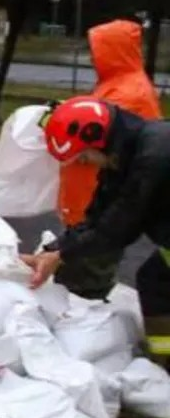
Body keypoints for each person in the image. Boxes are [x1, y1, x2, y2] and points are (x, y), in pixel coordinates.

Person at [23, 96, 170, 366]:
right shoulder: (125, 153)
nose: (84, 163)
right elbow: (99, 214)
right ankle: (164, 365)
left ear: (97, 139)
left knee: (157, 282)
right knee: (155, 282)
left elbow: (120, 226)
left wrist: (63, 254)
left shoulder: (154, 156)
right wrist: (52, 251)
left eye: (83, 155)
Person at [55, 19, 164, 299]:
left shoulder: (130, 92)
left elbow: (121, 220)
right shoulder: (115, 86)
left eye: (97, 49)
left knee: (89, 283)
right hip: (95, 199)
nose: (92, 57)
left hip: (105, 200)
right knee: (153, 282)